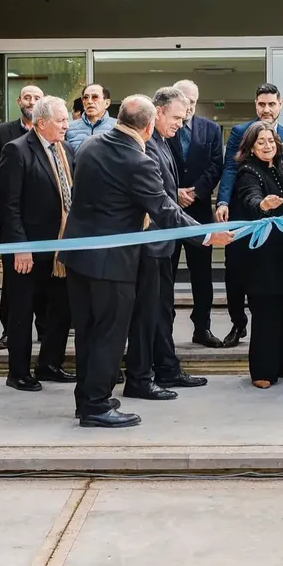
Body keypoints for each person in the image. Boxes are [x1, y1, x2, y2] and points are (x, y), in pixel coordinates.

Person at [62, 95, 233, 429]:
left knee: (86, 333)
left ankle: (88, 397)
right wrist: (207, 235)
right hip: (111, 262)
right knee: (109, 334)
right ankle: (96, 405)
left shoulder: (90, 146)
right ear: (150, 123)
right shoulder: (136, 160)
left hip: (78, 256)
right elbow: (164, 210)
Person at [123, 87, 209, 400]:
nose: (181, 123)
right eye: (176, 117)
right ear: (157, 112)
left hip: (162, 243)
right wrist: (205, 232)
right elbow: (157, 202)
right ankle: (141, 378)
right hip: (148, 245)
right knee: (148, 316)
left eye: (185, 117)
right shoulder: (144, 146)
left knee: (161, 311)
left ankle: (166, 368)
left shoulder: (161, 141)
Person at [0, 95, 75, 392]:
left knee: (59, 310)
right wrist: (20, 246)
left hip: (60, 250)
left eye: (67, 119)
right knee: (22, 312)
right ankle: (18, 372)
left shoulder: (66, 149)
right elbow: (8, 205)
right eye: (61, 119)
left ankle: (49, 364)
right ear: (42, 123)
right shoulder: (17, 150)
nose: (67, 124)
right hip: (27, 250)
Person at [215, 83, 283, 348]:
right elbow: (230, 167)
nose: (266, 109)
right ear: (255, 104)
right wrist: (223, 201)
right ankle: (238, 323)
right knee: (236, 273)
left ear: (280, 105)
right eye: (261, 104)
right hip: (244, 215)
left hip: (277, 227)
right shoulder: (241, 132)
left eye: (271, 104)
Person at [232, 122, 283, 389]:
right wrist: (262, 204)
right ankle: (262, 370)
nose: (267, 146)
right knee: (265, 311)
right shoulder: (248, 171)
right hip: (262, 255)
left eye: (270, 141)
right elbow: (251, 199)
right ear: (250, 146)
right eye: (260, 142)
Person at [168, 79, 224, 348]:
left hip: (199, 211)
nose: (188, 106)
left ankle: (202, 327)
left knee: (201, 275)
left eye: (192, 101)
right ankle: (163, 330)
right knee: (165, 273)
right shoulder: (164, 128)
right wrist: (175, 191)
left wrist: (196, 192)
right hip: (167, 211)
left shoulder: (211, 129)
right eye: (184, 100)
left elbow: (216, 165)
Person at [0, 84, 42, 351]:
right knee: (13, 277)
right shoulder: (3, 131)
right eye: (27, 97)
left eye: (37, 97)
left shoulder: (51, 133)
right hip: (12, 213)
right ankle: (9, 331)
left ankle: (44, 329)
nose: (31, 101)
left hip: (43, 217)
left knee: (44, 277)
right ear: (19, 100)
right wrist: (15, 174)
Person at [66, 84, 115, 150]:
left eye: (95, 97)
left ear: (107, 103)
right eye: (86, 98)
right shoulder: (68, 128)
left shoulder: (118, 127)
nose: (89, 101)